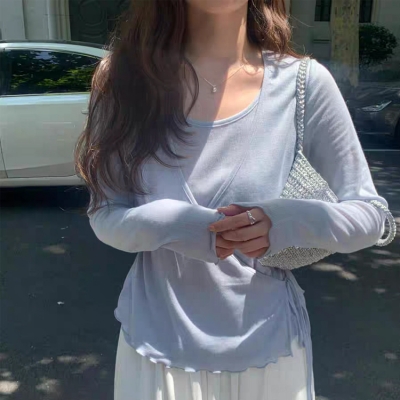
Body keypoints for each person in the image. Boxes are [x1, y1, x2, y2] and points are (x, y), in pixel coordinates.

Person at [75, 1, 392, 399]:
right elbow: (105, 215)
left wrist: (287, 221)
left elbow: (371, 216)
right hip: (156, 349)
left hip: (271, 353)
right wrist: (172, 223)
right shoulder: (122, 79)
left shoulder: (303, 83)